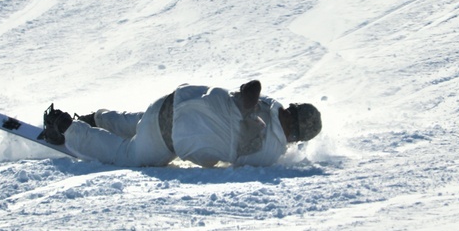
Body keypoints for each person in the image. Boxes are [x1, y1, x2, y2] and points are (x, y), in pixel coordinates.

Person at [40, 80, 321, 167]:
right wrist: (248, 110)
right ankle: (65, 128)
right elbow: (250, 91)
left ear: (294, 130)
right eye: (292, 107)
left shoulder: (270, 146)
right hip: (174, 127)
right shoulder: (273, 114)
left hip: (174, 105)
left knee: (139, 122)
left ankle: (96, 119)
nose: (287, 108)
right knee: (127, 155)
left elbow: (250, 133)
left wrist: (248, 115)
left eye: (292, 111)